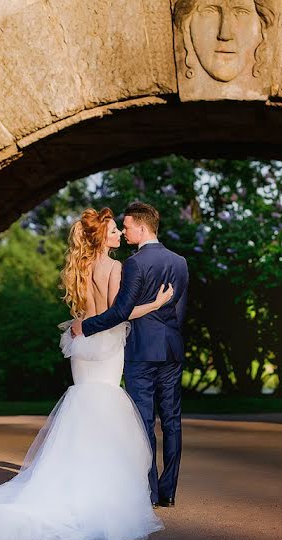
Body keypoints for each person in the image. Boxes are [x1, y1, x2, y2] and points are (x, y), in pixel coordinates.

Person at [0, 207, 174, 540]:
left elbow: (84, 312)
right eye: (113, 230)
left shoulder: (80, 268)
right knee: (106, 409)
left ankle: (67, 480)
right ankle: (97, 489)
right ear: (102, 238)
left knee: (82, 406)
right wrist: (156, 303)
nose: (118, 235)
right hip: (107, 342)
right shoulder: (115, 267)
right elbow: (119, 312)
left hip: (80, 342)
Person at [71, 202, 189, 508]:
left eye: (126, 227)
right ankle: (169, 492)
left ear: (142, 227)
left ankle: (150, 492)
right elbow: (180, 310)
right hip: (172, 348)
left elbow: (120, 312)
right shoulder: (180, 262)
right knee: (173, 421)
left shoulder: (134, 264)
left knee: (144, 422)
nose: (124, 232)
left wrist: (85, 327)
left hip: (140, 350)